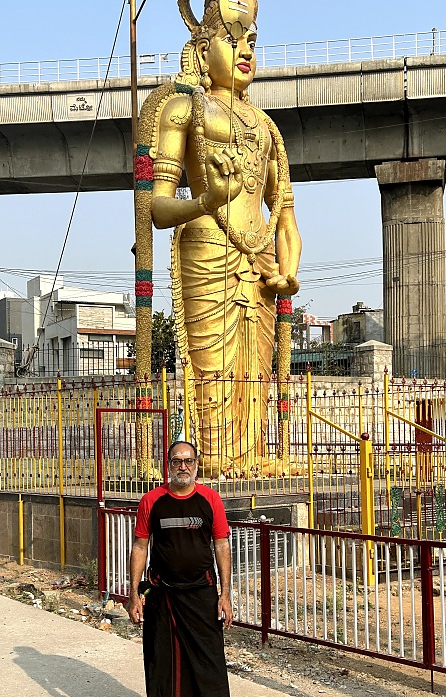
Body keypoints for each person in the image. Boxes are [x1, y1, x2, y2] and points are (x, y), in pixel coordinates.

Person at [136, 0, 301, 476]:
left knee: (255, 368)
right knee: (213, 366)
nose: (245, 51)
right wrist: (205, 203)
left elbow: (285, 215)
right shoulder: (183, 109)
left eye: (251, 42)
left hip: (260, 257)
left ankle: (250, 457)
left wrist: (289, 271)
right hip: (207, 243)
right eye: (233, 41)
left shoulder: (267, 127)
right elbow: (158, 208)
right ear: (203, 52)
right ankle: (212, 460)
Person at [127, 440, 245, 697]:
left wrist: (225, 594)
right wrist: (134, 593)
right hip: (162, 592)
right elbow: (140, 547)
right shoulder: (152, 501)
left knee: (210, 662)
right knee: (165, 662)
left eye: (188, 460)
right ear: (168, 464)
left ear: (197, 464)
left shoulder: (210, 500)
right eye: (177, 460)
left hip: (201, 591)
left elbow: (221, 546)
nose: (183, 466)